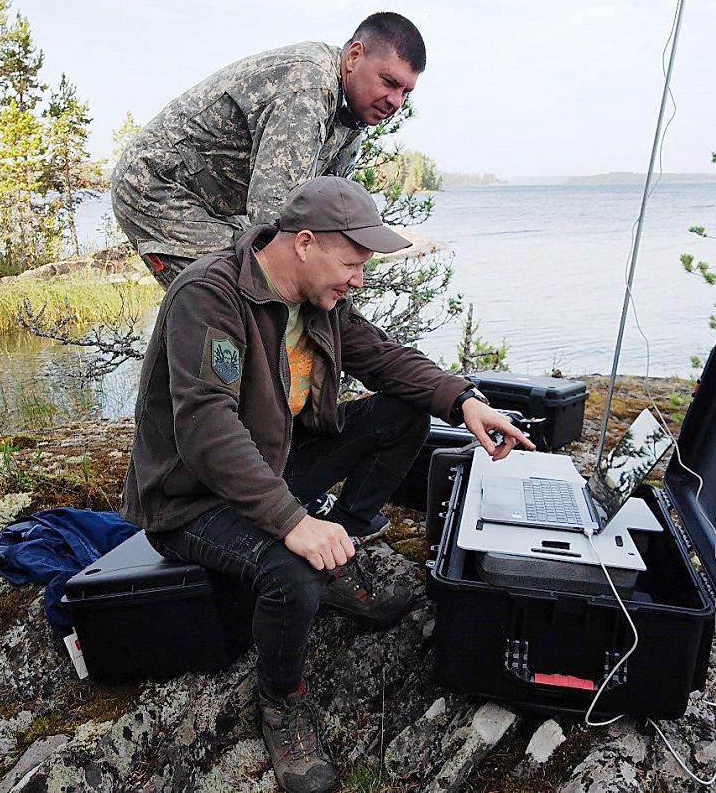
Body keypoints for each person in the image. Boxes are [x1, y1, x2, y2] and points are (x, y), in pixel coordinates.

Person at [121, 176, 532, 793]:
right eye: (352, 263)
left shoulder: (319, 303)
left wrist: (465, 401)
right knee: (293, 571)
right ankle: (280, 701)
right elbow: (206, 428)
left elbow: (387, 358)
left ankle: (344, 550)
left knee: (403, 415)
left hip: (270, 466)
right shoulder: (209, 295)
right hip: (190, 500)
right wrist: (293, 523)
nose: (358, 279)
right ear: (305, 242)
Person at [111, 11, 424, 289]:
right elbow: (276, 215)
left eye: (405, 92)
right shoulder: (308, 85)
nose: (395, 101)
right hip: (156, 186)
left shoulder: (352, 112)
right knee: (236, 288)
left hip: (215, 204)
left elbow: (332, 214)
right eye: (388, 82)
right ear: (354, 56)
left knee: (273, 285)